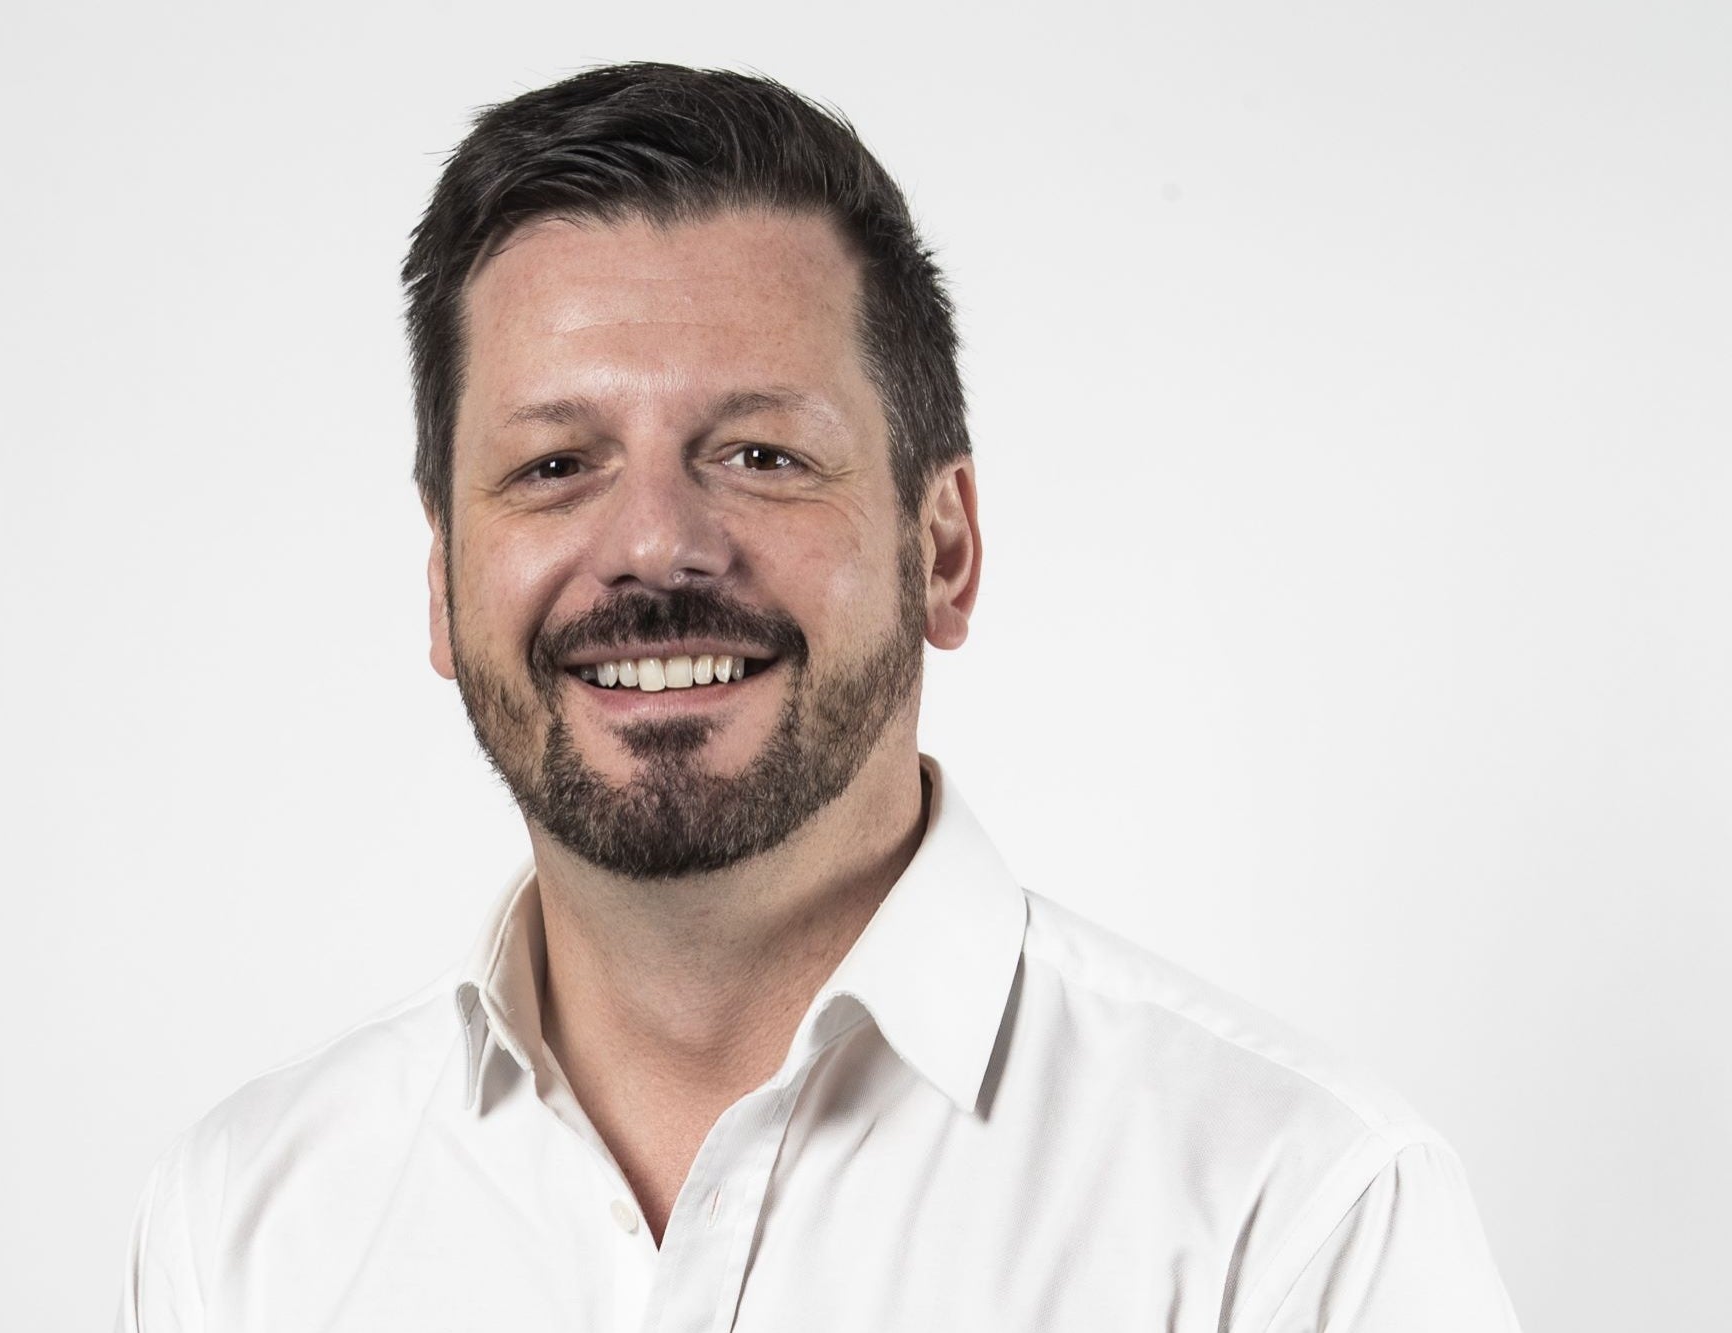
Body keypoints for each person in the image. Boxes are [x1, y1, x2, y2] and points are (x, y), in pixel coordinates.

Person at [116, 63, 1521, 1331]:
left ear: (943, 550)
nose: (654, 544)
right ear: (443, 585)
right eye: (554, 466)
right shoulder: (243, 1233)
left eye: (761, 455)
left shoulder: (1296, 1223)